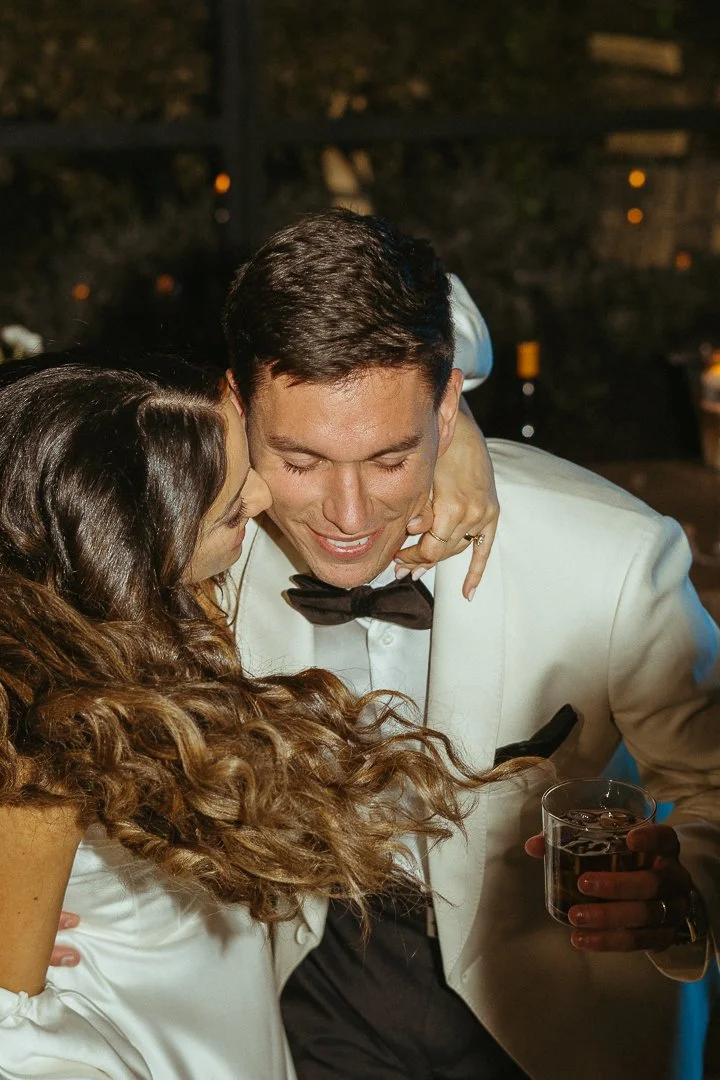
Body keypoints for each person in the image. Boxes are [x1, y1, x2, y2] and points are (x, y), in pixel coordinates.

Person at [214, 209, 720, 1080]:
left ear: (451, 412)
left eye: (388, 460)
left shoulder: (611, 560)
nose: (346, 516)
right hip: (310, 984)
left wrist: (689, 890)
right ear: (233, 408)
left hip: (554, 1011)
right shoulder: (203, 547)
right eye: (300, 462)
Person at [0, 356, 520, 1079]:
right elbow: (13, 1028)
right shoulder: (40, 744)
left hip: (235, 1005)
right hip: (132, 1029)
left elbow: (372, 326)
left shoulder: (156, 605)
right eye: (231, 505)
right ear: (136, 539)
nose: (261, 491)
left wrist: (449, 433)